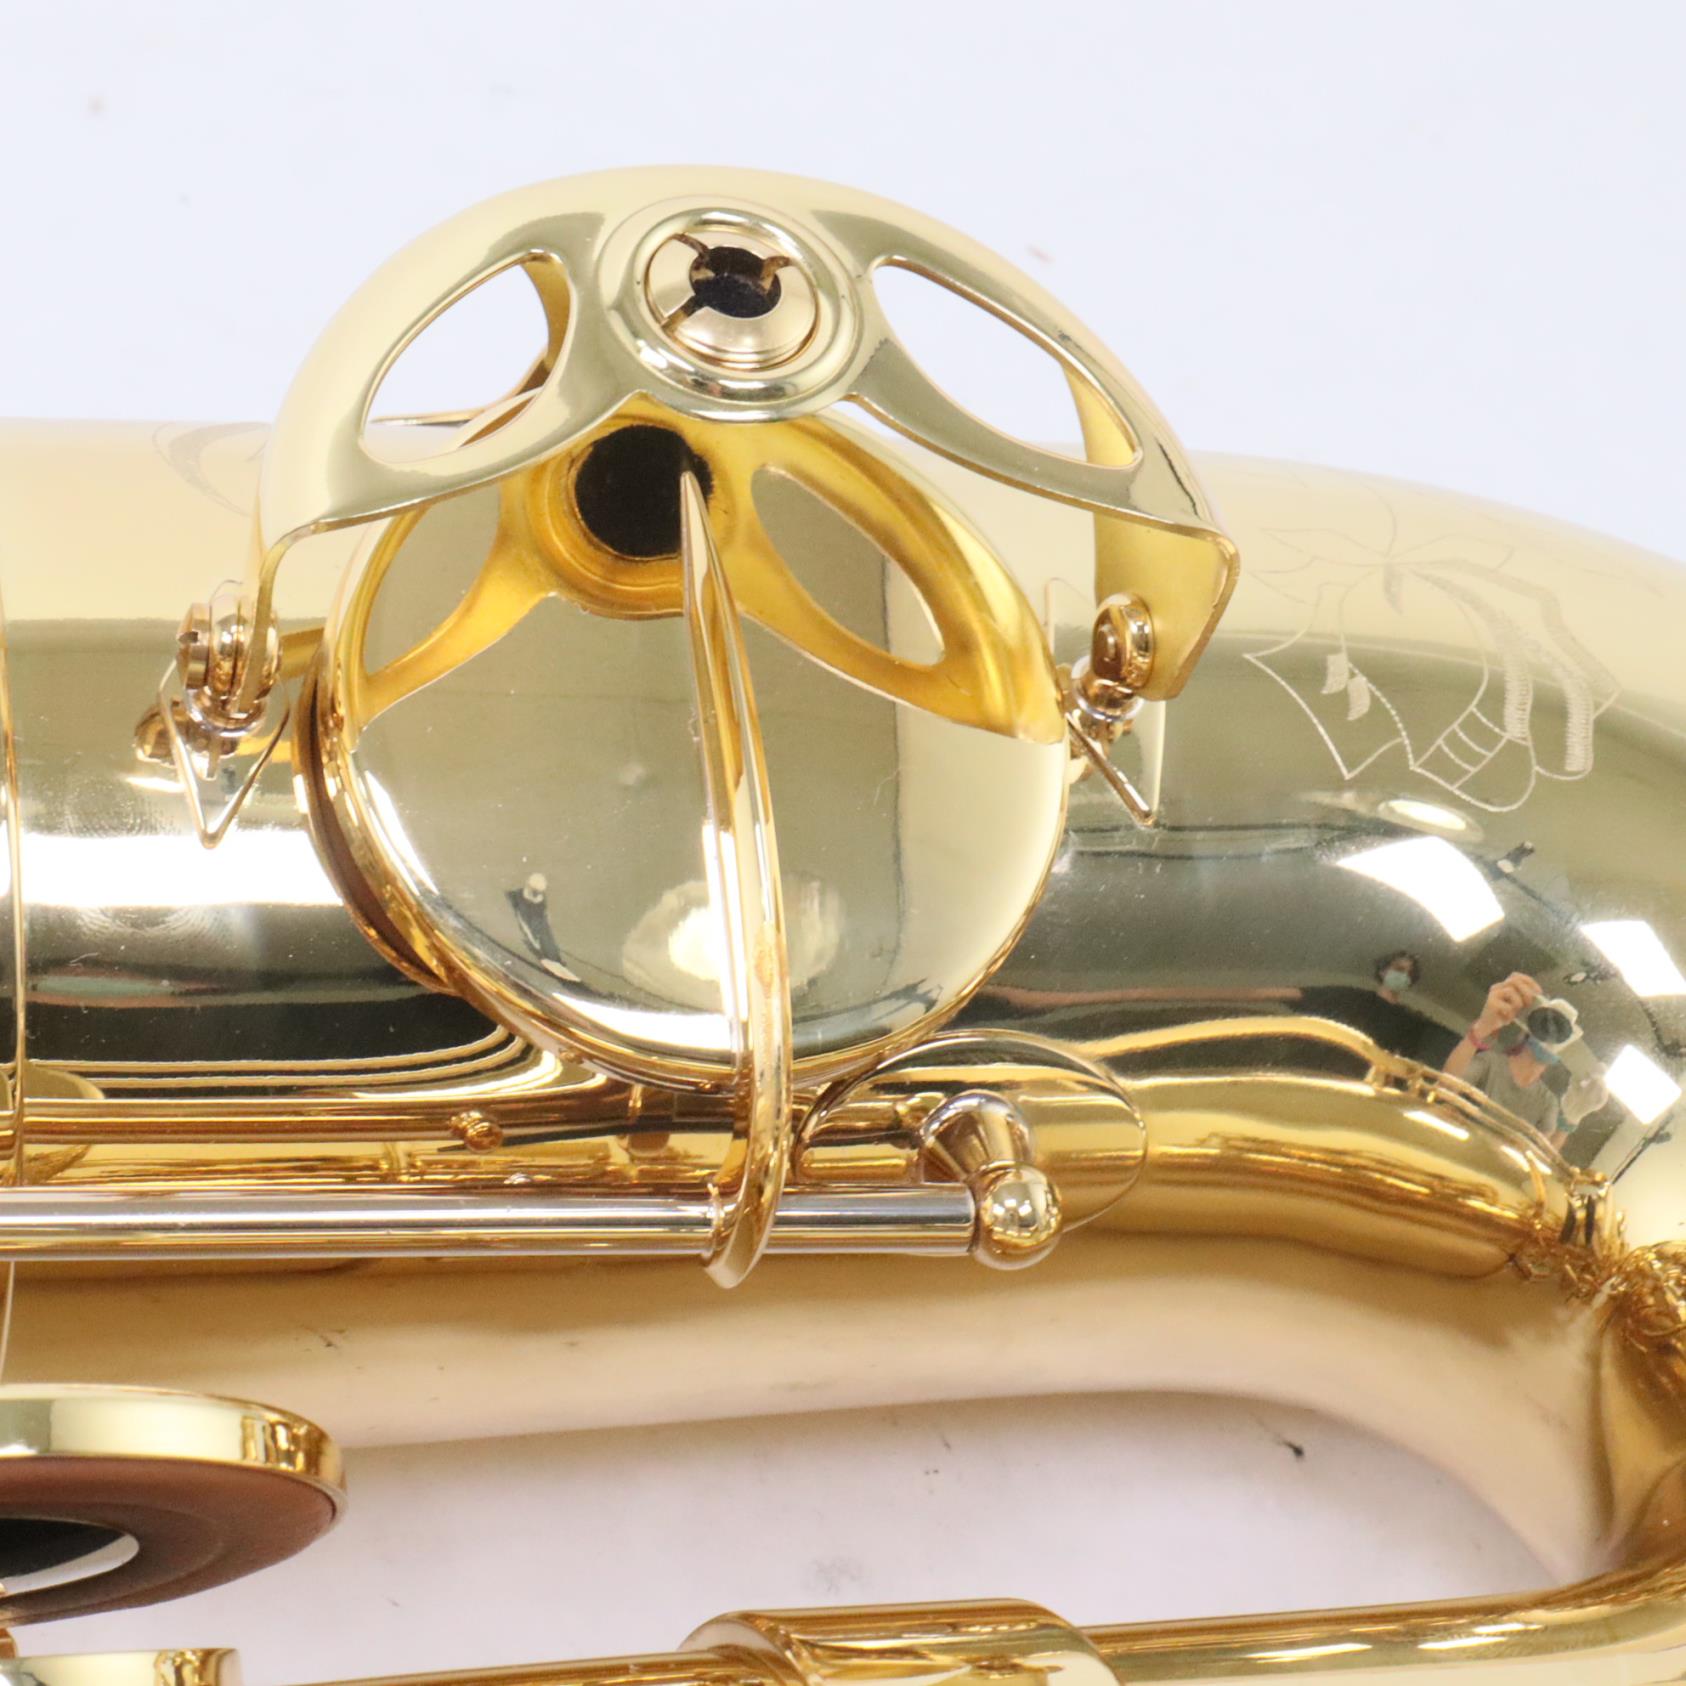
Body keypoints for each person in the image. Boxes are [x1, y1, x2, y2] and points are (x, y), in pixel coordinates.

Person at [1444, 971, 1564, 1145]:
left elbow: (1541, 1153)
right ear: (1528, 1027)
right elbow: (1447, 1088)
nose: (1551, 1033)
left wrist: (1570, 1122)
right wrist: (1482, 1028)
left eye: (1561, 1031)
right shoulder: (1491, 1063)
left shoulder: (1548, 1101)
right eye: (1544, 1025)